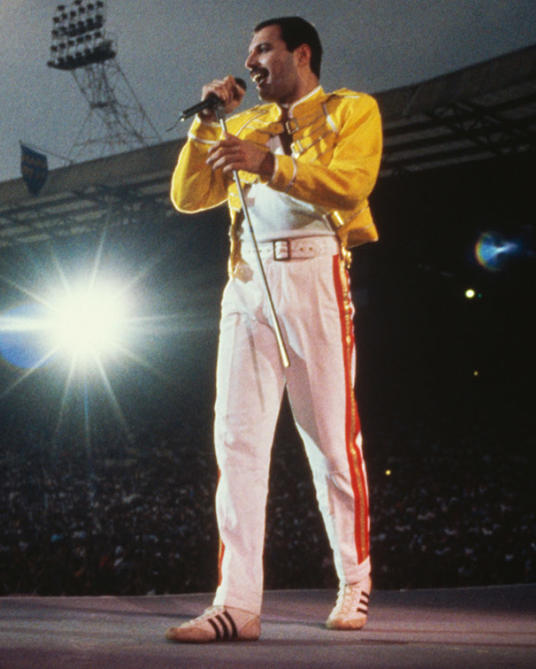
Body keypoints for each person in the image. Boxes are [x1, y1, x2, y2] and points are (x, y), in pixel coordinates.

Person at [165, 16, 383, 643]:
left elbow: (353, 184)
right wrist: (206, 122)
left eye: (262, 49)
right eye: (248, 53)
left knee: (331, 444)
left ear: (301, 54)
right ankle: (237, 603)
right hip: (247, 283)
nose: (252, 62)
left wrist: (269, 164)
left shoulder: (350, 110)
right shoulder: (240, 124)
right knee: (235, 443)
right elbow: (187, 196)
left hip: (315, 274)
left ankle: (354, 578)